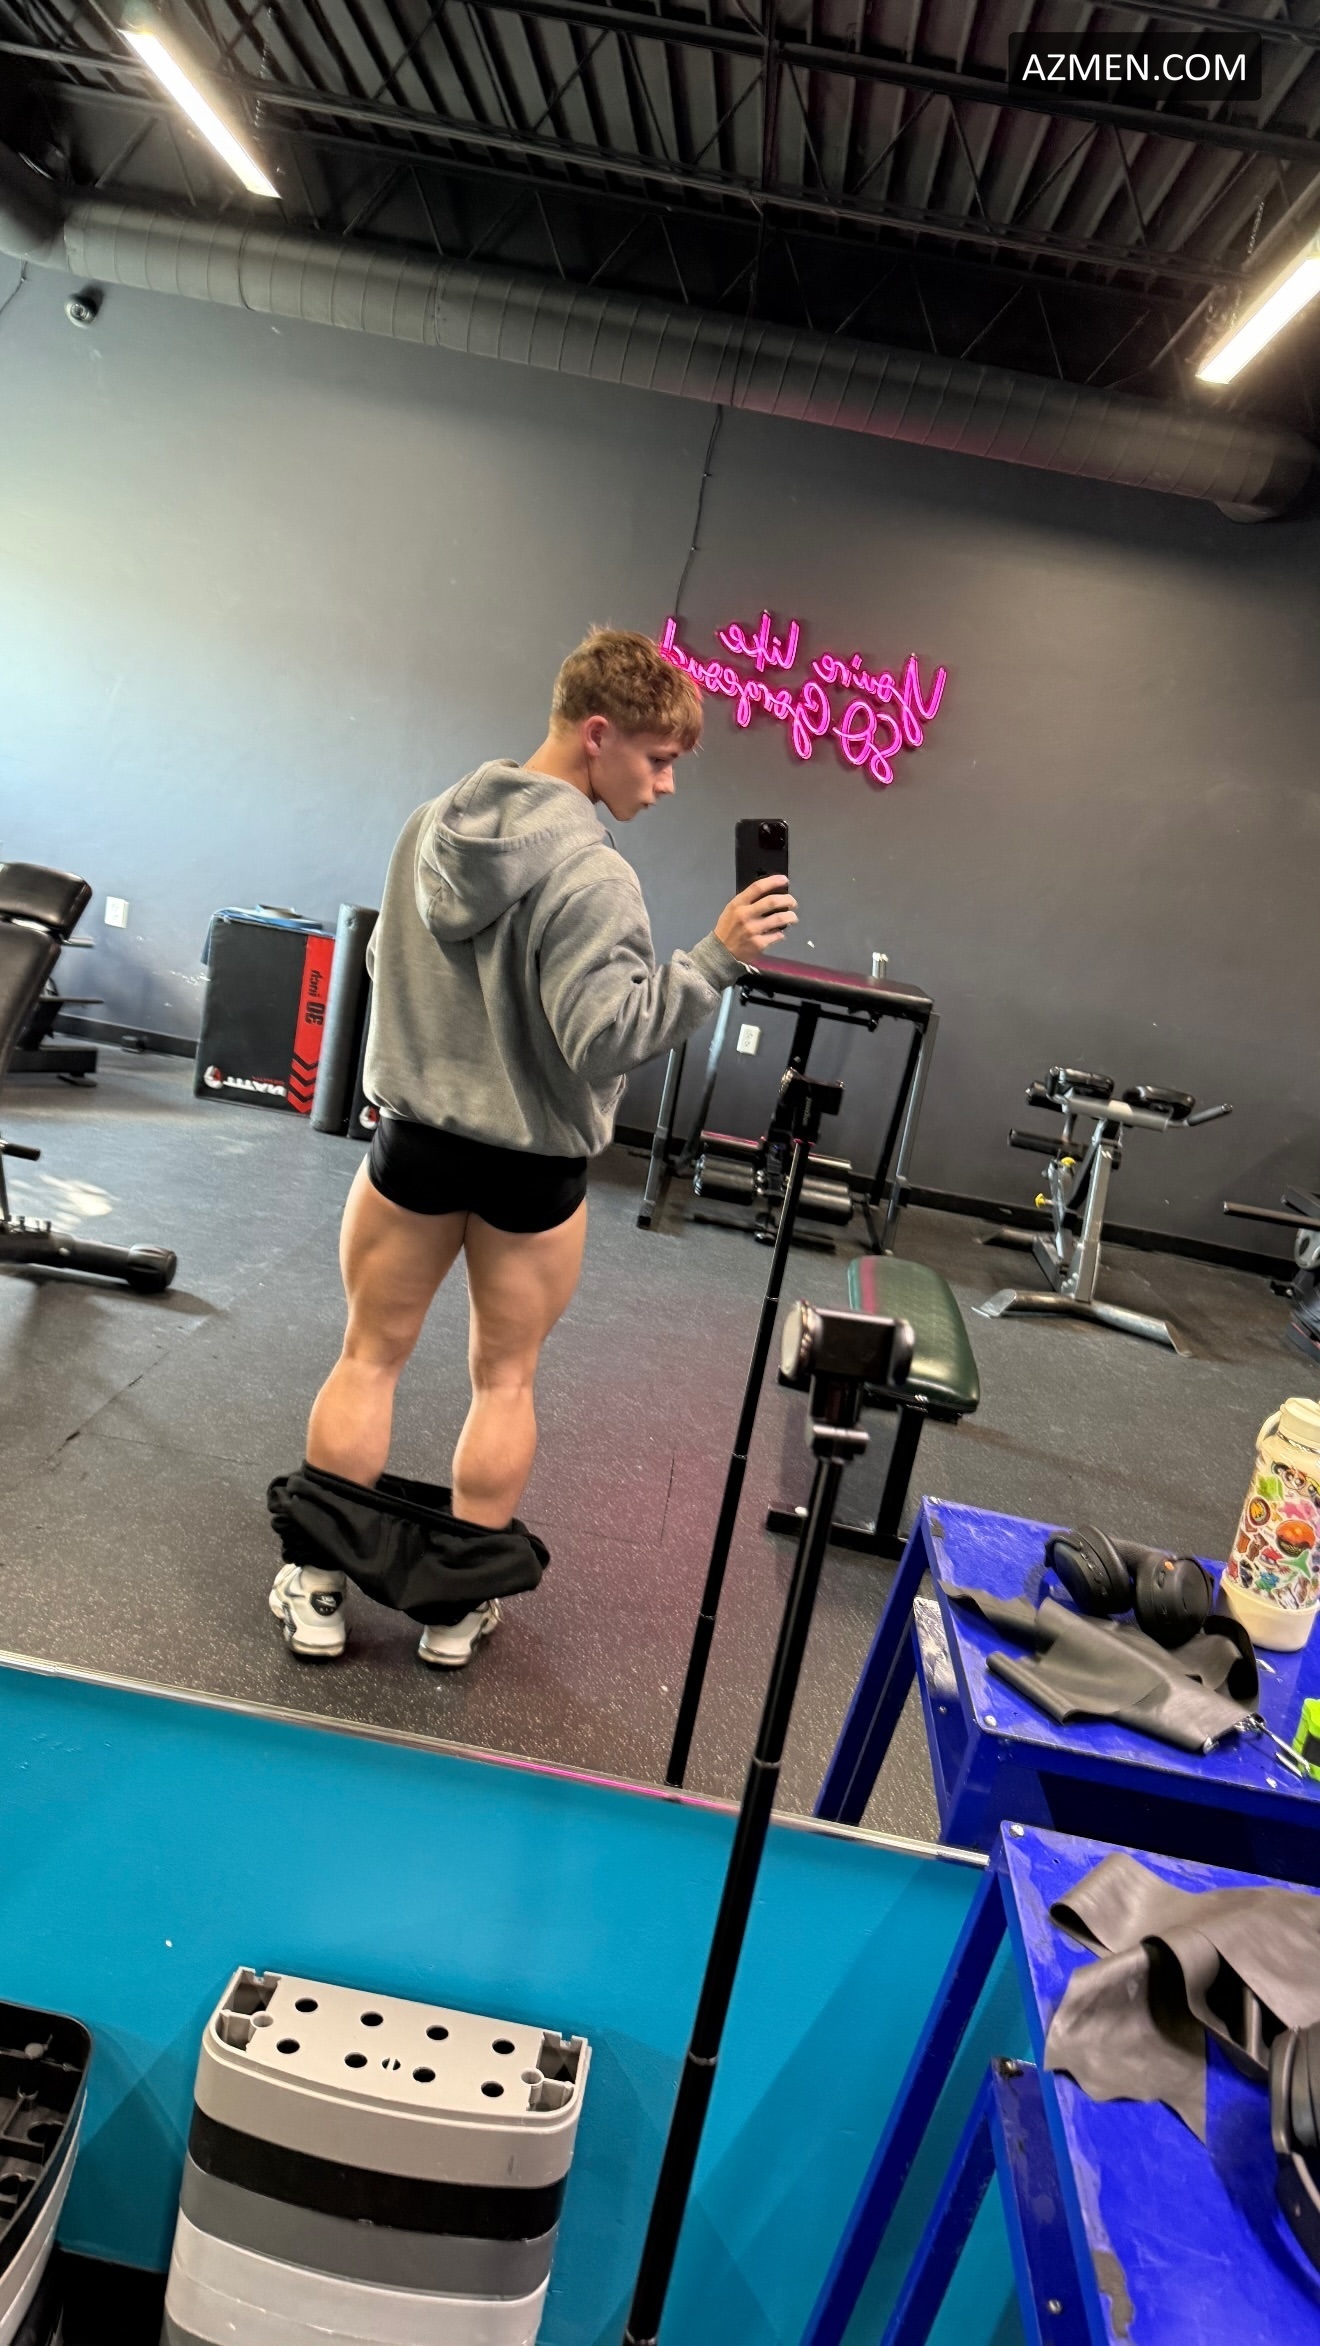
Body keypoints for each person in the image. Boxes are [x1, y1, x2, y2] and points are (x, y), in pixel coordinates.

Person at [270, 628, 797, 1667]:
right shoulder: (596, 877)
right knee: (504, 1382)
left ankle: (317, 1585)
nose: (668, 784)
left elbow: (384, 963)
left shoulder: (429, 826)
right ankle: (455, 1612)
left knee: (369, 1356)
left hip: (416, 1145)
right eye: (659, 758)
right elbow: (607, 1039)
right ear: (598, 735)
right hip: (530, 1167)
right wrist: (714, 960)